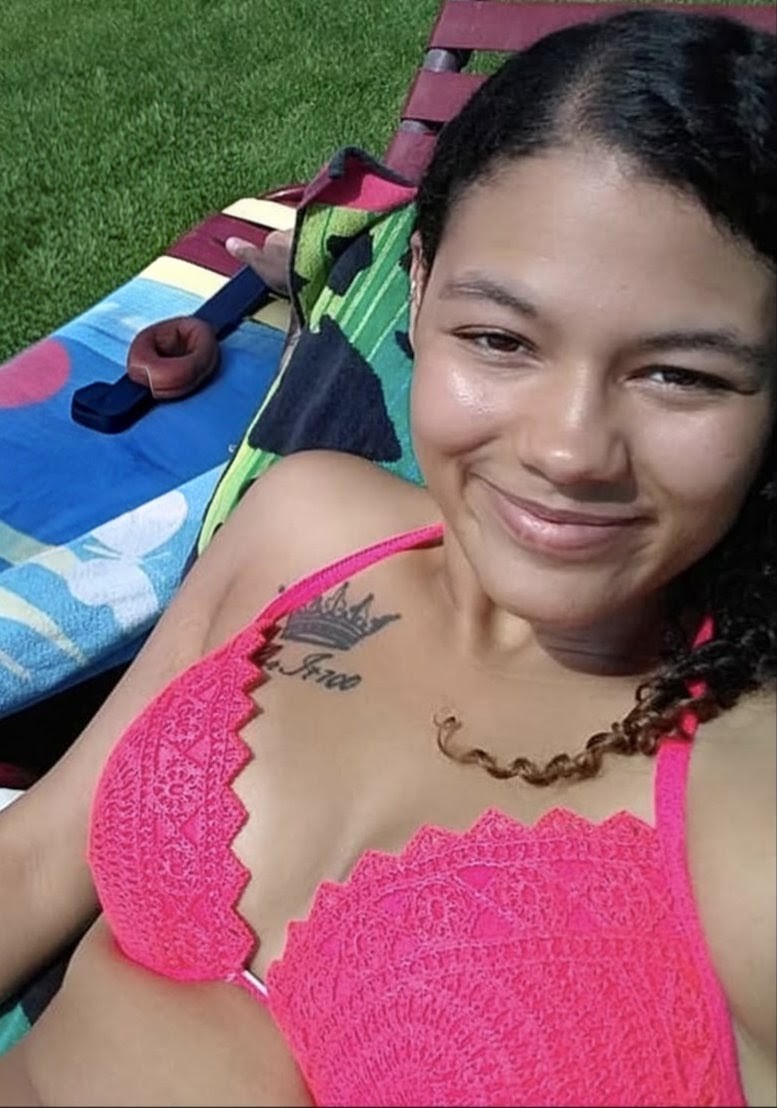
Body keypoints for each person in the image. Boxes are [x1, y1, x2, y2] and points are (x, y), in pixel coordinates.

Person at [0, 7, 774, 1105]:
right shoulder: (306, 526)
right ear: (416, 289)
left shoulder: (746, 817)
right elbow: (39, 854)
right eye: (499, 340)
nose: (567, 450)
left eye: (680, 375)